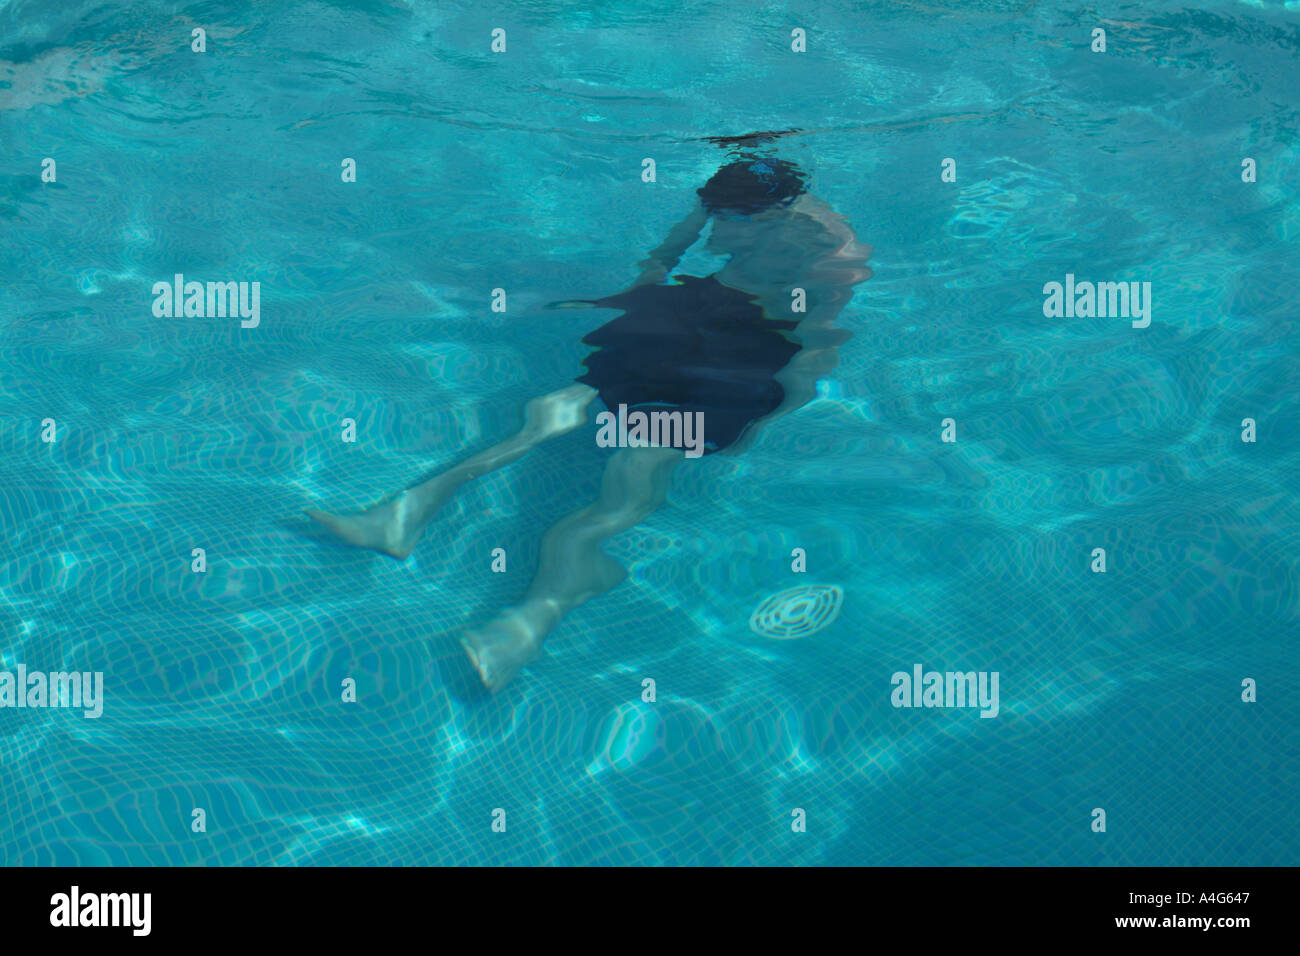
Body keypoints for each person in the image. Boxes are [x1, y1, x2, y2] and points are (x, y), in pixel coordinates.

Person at [308, 143, 873, 693]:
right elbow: (672, 248)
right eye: (715, 215)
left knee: (637, 463)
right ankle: (402, 517)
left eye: (730, 225)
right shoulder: (736, 191)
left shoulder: (832, 259)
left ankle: (542, 609)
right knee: (547, 412)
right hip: (694, 309)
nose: (716, 234)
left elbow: (819, 348)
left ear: (772, 218)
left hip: (753, 352)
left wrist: (765, 416)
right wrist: (639, 297)